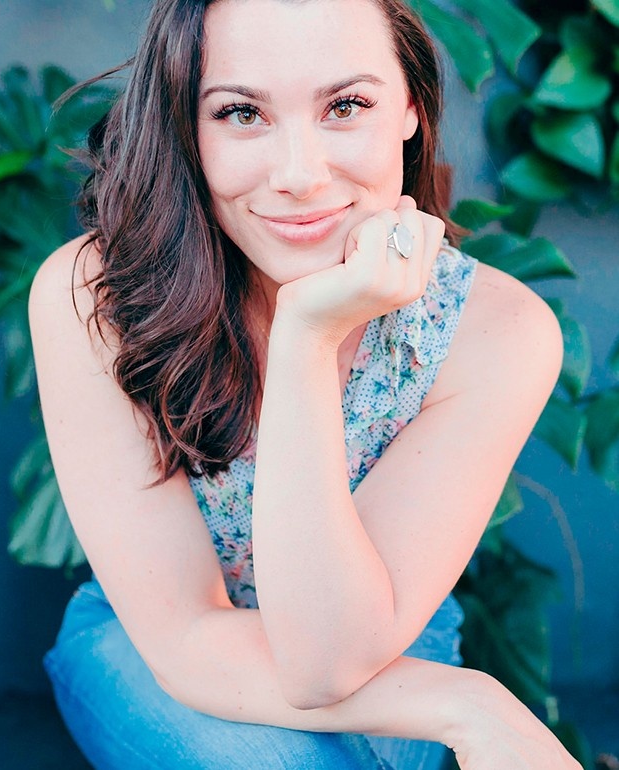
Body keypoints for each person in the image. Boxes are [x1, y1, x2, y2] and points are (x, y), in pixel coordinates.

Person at [29, 0, 581, 767]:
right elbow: (185, 635)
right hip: (156, 638)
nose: (299, 175)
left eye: (346, 106)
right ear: (185, 126)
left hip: (384, 643)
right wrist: (467, 703)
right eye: (241, 113)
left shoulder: (494, 329)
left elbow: (330, 657)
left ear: (411, 108)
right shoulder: (97, 295)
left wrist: (304, 341)